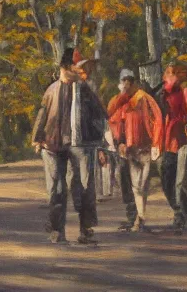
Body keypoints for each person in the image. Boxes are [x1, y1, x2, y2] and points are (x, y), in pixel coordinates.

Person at [32, 48, 109, 246]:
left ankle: (86, 230)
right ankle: (58, 231)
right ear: (66, 67)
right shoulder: (52, 90)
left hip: (80, 144)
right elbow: (42, 114)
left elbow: (101, 115)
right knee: (57, 188)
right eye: (78, 66)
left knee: (84, 186)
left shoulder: (85, 90)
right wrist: (37, 138)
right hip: (54, 145)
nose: (83, 71)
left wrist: (100, 143)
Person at [108, 67, 163, 232]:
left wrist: (156, 143)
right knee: (134, 186)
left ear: (132, 82)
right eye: (123, 81)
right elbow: (115, 120)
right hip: (130, 149)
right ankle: (138, 219)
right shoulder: (122, 101)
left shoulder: (144, 99)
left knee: (141, 185)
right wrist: (120, 143)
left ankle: (141, 219)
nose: (125, 84)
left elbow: (158, 119)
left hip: (145, 148)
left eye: (128, 81)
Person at [158, 61, 187, 232]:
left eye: (170, 73)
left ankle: (179, 214)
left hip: (185, 138)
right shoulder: (162, 94)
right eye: (166, 73)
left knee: (180, 181)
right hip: (168, 141)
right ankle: (184, 208)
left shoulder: (186, 93)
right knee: (166, 179)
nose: (166, 76)